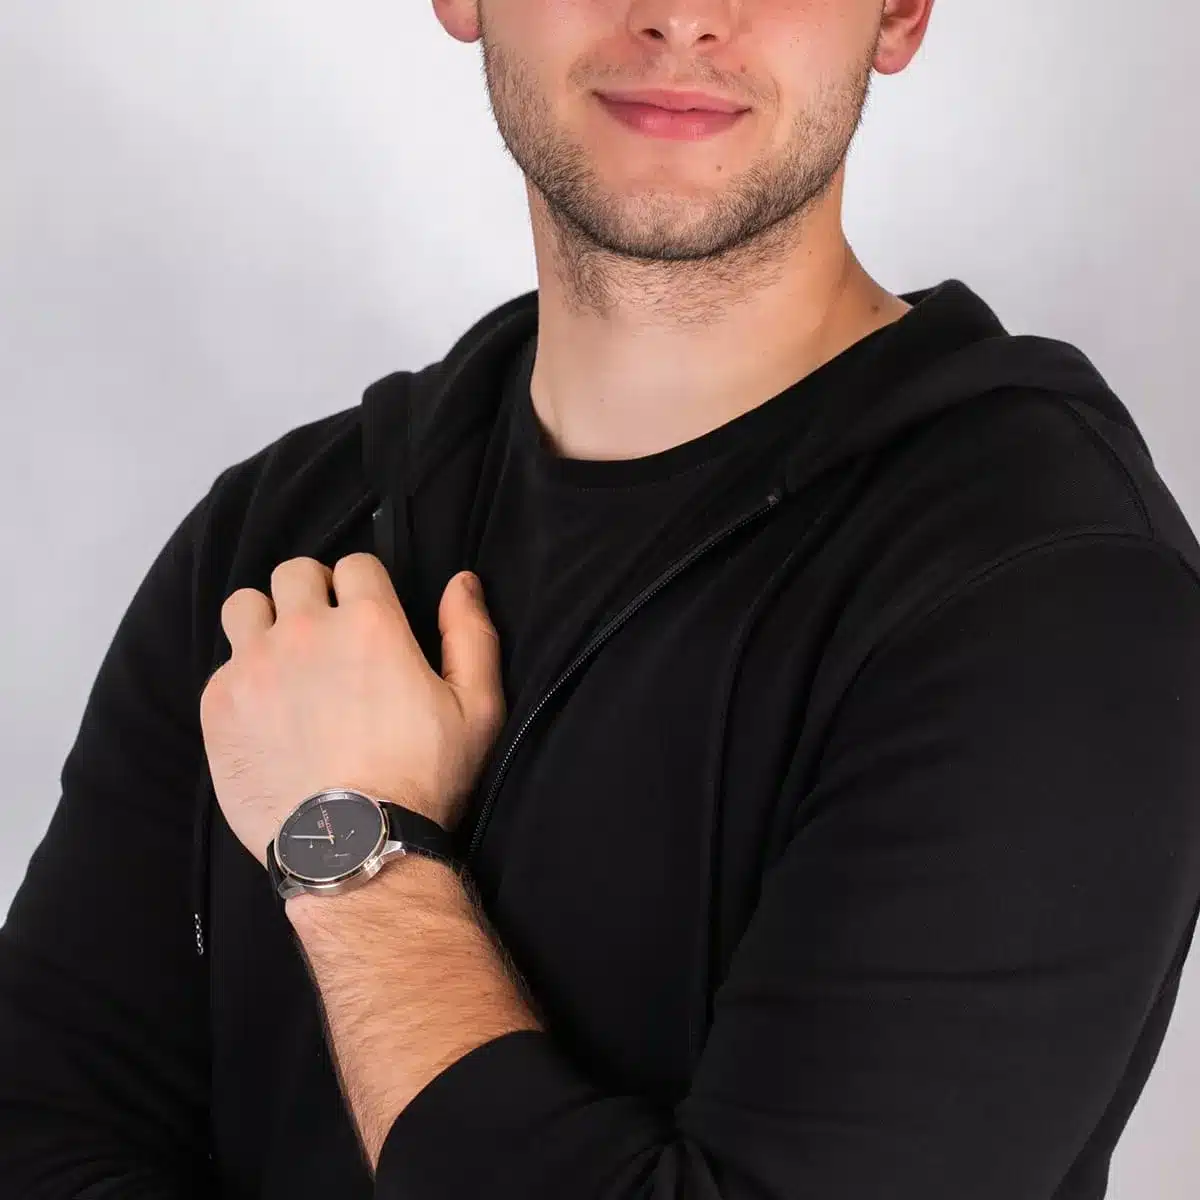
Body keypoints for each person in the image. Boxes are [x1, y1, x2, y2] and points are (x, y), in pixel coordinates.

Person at [2, 0, 1199, 1196]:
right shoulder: (279, 532)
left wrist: (355, 851)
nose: (682, 16)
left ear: (897, 13)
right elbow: (36, 1124)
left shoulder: (1055, 600)